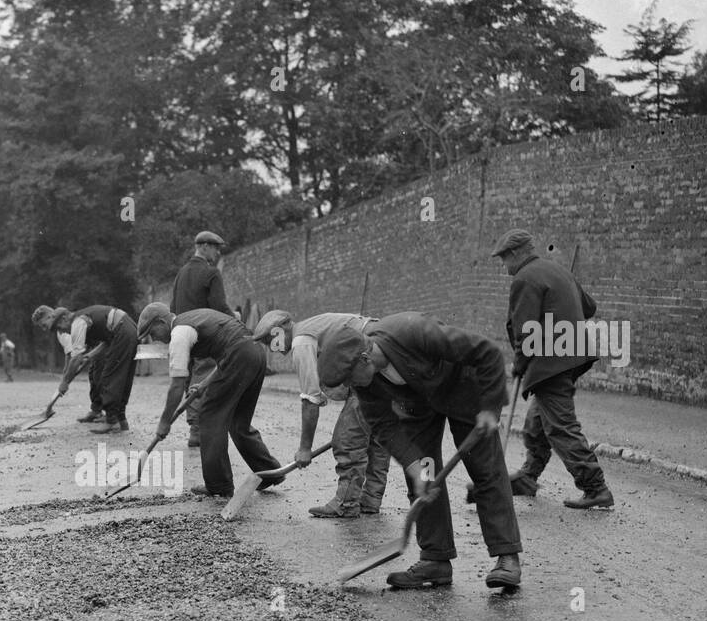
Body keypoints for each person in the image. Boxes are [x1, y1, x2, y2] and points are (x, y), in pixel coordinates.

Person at [317, 311, 522, 589]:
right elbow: (382, 425)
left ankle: (506, 556)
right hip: (419, 407)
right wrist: (413, 464)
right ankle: (435, 560)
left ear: (364, 358)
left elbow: (488, 352)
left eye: (347, 378)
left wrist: (489, 407)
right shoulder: (366, 383)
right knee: (425, 478)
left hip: (464, 392)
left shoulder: (414, 333)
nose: (347, 385)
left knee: (485, 470)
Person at [492, 228, 614, 509]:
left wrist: (519, 365)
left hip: (551, 363)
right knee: (536, 423)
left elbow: (526, 332)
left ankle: (596, 487)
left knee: (560, 426)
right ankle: (528, 476)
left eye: (503, 260)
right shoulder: (558, 271)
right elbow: (590, 307)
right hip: (572, 357)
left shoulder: (524, 278)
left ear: (515, 254)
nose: (504, 266)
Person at [253, 310, 390, 518]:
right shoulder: (312, 327)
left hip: (369, 357)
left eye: (269, 340)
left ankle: (345, 503)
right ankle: (370, 499)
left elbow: (311, 399)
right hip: (383, 353)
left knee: (348, 439)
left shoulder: (302, 342)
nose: (271, 348)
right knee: (375, 435)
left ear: (281, 330)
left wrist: (305, 448)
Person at [138, 302, 282, 499]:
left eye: (152, 333)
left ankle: (219, 485)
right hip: (255, 354)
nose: (155, 339)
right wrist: (205, 383)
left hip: (239, 356)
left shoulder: (179, 333)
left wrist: (164, 422)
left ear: (161, 322)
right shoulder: (194, 317)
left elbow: (177, 385)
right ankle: (269, 471)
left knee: (209, 417)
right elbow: (228, 350)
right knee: (238, 422)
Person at [171, 230, 234, 448]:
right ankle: (199, 428)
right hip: (204, 333)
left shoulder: (181, 273)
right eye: (215, 248)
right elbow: (218, 306)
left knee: (189, 379)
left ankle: (193, 427)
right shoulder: (211, 273)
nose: (217, 253)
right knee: (204, 375)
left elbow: (172, 307)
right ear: (204, 247)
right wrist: (235, 318)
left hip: (181, 333)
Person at [33, 304, 137, 433]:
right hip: (126, 328)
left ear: (65, 318)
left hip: (123, 330)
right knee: (119, 378)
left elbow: (75, 358)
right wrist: (90, 356)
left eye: (60, 327)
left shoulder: (77, 323)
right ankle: (121, 421)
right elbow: (107, 341)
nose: (61, 332)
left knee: (110, 378)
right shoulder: (81, 319)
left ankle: (112, 421)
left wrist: (65, 382)